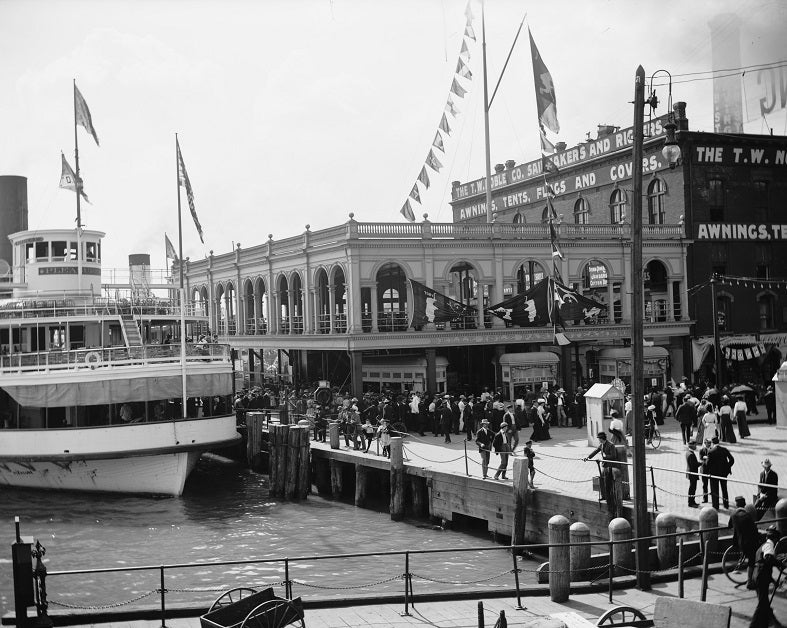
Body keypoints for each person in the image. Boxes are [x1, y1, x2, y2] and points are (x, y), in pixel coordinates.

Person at [749, 525, 784, 628]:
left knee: (764, 603)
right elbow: (768, 559)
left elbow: (764, 565)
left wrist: (772, 581)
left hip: (758, 576)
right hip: (761, 577)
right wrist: (780, 564)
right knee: (762, 605)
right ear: (775, 538)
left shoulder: (763, 545)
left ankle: (766, 623)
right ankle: (753, 625)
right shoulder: (769, 546)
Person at [584, 432, 620, 517]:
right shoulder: (601, 445)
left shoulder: (611, 445)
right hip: (605, 465)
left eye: (599, 438)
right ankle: (604, 496)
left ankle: (610, 497)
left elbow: (614, 456)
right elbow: (595, 451)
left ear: (602, 438)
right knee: (602, 480)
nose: (598, 440)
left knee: (608, 482)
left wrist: (605, 456)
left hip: (611, 466)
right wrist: (588, 457)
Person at [728, 495, 761, 587]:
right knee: (751, 561)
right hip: (750, 542)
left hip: (739, 543)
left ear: (736, 505)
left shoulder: (733, 514)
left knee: (747, 556)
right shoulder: (747, 515)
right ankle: (749, 582)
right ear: (745, 505)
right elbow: (754, 530)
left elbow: (729, 526)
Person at [705, 436, 734, 510]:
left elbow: (708, 464)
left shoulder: (711, 452)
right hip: (723, 473)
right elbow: (732, 459)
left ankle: (715, 505)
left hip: (714, 474)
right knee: (724, 489)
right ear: (718, 442)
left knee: (715, 490)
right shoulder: (724, 450)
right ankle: (726, 504)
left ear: (712, 443)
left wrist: (708, 470)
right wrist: (727, 467)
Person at [685, 440, 700, 507]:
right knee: (692, 488)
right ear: (692, 445)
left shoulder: (688, 452)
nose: (696, 446)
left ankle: (692, 501)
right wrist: (701, 463)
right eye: (695, 445)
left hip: (691, 473)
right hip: (692, 474)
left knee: (692, 488)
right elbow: (694, 465)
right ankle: (691, 503)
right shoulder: (691, 454)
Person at [699, 438, 712, 504]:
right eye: (708, 443)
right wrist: (706, 458)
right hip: (704, 470)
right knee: (705, 485)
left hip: (711, 470)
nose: (709, 444)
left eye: (710, 443)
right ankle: (705, 498)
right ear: (705, 443)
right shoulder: (702, 450)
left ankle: (714, 498)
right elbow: (701, 459)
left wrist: (705, 457)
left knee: (713, 484)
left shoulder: (712, 450)